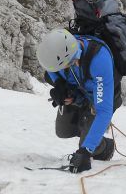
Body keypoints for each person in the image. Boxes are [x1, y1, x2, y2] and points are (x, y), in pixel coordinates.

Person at [37, 28, 120, 173]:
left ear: (73, 57)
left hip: (100, 98)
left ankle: (106, 147)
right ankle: (87, 127)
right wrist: (59, 85)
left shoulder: (99, 59)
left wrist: (86, 151)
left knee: (87, 144)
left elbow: (104, 111)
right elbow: (52, 70)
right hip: (79, 93)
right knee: (63, 131)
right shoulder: (59, 51)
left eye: (68, 64)